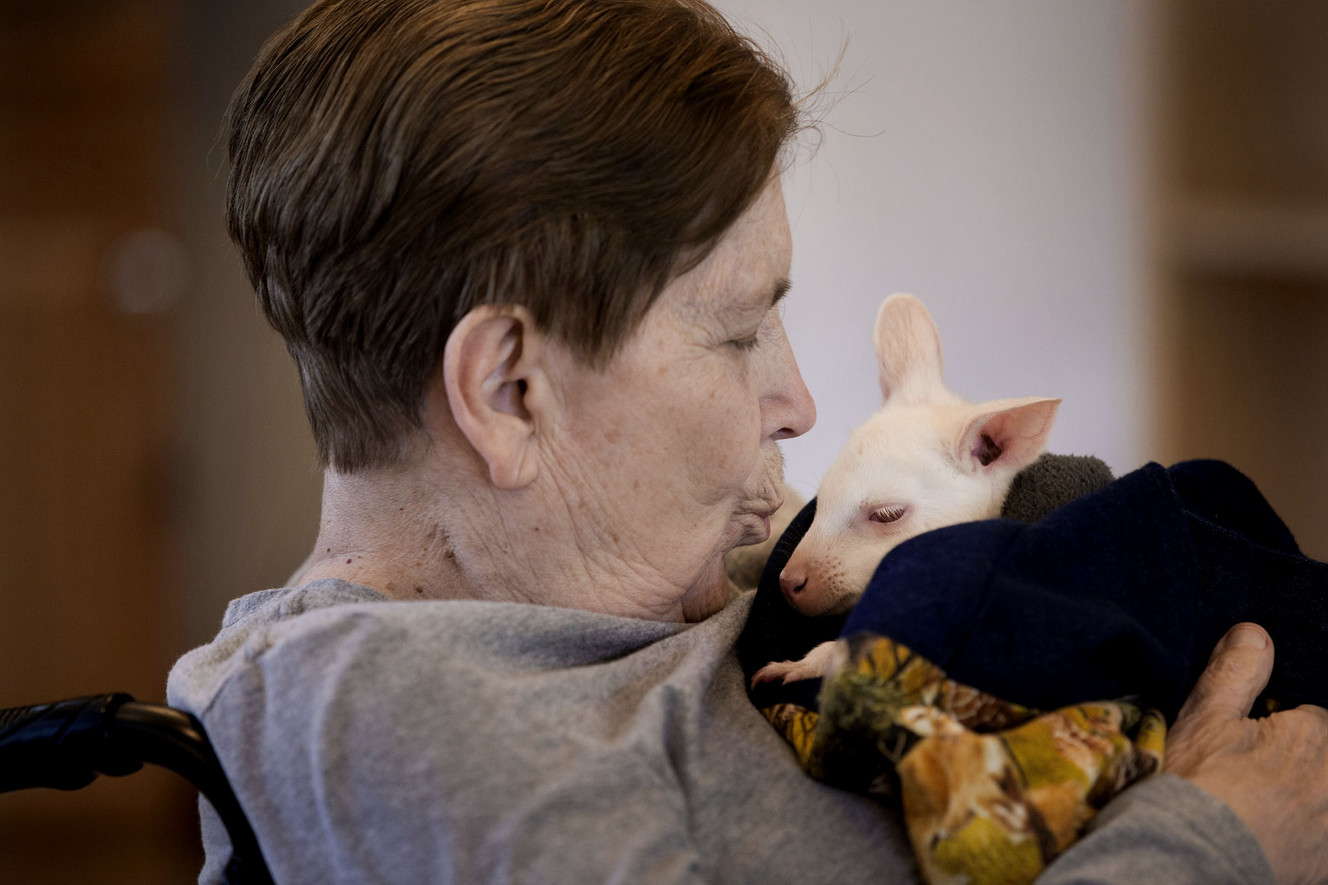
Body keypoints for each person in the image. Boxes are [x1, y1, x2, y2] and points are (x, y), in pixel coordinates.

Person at [168, 0, 1328, 881]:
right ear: (511, 390)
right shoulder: (377, 713)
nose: (798, 401)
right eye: (736, 333)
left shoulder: (676, 574)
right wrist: (1212, 840)